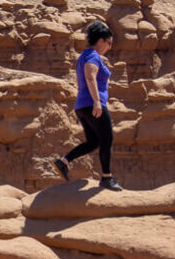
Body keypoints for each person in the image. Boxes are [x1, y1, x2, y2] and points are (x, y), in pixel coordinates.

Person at [52, 20, 123, 191]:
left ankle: (63, 162)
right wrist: (97, 102)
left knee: (93, 142)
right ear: (101, 41)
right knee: (107, 138)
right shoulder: (92, 56)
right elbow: (90, 76)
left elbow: (81, 80)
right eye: (109, 43)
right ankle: (107, 178)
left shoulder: (83, 56)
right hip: (92, 103)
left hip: (81, 105)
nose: (110, 47)